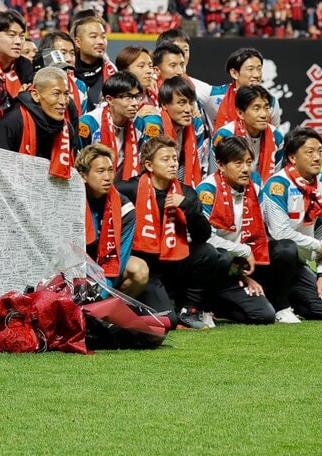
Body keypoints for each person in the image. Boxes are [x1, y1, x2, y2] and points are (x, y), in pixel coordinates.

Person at [129, 135, 226, 330]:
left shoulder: (186, 193)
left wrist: (187, 207)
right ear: (148, 165)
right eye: (165, 159)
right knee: (168, 322)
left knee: (208, 252)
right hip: (147, 268)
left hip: (176, 263)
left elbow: (202, 235)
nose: (173, 164)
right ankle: (134, 308)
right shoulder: (131, 189)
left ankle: (189, 311)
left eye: (174, 158)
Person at [260, 128, 322, 321]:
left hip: (296, 263)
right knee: (286, 248)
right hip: (267, 262)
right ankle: (280, 307)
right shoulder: (278, 185)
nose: (317, 157)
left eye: (320, 151)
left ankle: (284, 297)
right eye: (309, 152)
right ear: (292, 157)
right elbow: (280, 234)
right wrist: (315, 246)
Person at [196, 136, 276, 325]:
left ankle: (219, 305)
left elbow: (261, 235)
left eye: (249, 162)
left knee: (264, 315)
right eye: (238, 163)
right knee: (219, 255)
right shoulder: (207, 191)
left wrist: (246, 275)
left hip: (235, 270)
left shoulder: (254, 189)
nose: (246, 169)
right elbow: (204, 239)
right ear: (221, 165)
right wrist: (244, 251)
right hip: (207, 269)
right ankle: (202, 307)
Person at [76, 143, 144, 297]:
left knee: (140, 269)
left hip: (104, 265)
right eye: (100, 171)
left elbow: (118, 260)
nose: (107, 177)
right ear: (83, 176)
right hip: (77, 266)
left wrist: (99, 297)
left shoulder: (125, 208)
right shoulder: (71, 202)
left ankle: (106, 314)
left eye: (110, 170)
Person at [0, 65, 74, 176]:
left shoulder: (67, 129)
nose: (63, 101)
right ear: (36, 95)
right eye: (56, 94)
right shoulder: (11, 123)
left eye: (66, 94)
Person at [76, 69, 143, 198]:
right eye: (128, 97)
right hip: (88, 191)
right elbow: (77, 167)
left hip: (122, 192)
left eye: (137, 97)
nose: (135, 103)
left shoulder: (139, 124)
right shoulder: (89, 124)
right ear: (109, 100)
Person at [212, 85, 284, 179]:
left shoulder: (276, 137)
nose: (264, 115)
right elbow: (215, 174)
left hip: (262, 190)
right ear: (240, 113)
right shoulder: (225, 136)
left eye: (266, 108)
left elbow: (275, 177)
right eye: (256, 108)